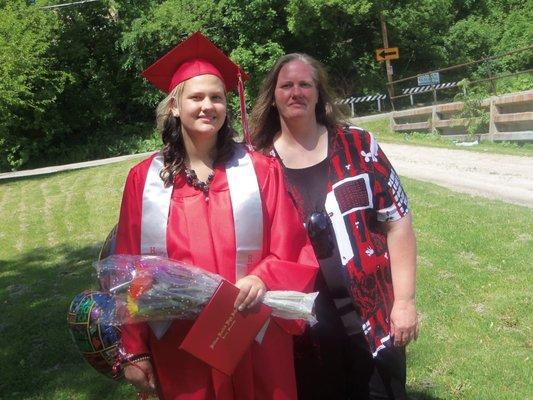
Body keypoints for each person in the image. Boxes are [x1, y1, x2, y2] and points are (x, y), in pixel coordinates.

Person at [114, 33, 318, 400]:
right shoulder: (144, 181)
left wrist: (262, 277)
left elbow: (293, 244)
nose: (208, 106)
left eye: (217, 97)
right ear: (175, 106)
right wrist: (134, 348)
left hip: (255, 332)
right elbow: (129, 273)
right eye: (196, 97)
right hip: (181, 344)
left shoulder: (260, 170)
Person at [249, 53, 419, 400]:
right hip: (302, 330)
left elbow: (397, 222)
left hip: (372, 319)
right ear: (273, 95)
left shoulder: (359, 146)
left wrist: (405, 301)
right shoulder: (257, 165)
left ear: (318, 92)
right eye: (286, 85)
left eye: (304, 84)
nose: (296, 92)